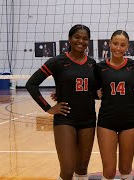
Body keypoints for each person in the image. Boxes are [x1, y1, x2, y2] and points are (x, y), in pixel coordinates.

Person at [26, 24, 97, 180]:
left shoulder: (93, 64)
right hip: (65, 118)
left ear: (89, 42)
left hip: (88, 119)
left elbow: (95, 93)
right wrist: (48, 108)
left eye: (85, 38)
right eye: (77, 37)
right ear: (69, 39)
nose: (81, 41)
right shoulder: (57, 61)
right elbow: (31, 84)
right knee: (67, 170)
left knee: (82, 168)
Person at [94, 30, 134, 180]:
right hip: (106, 121)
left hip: (129, 120)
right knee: (108, 171)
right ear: (109, 43)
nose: (118, 48)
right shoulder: (100, 67)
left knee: (126, 169)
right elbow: (91, 90)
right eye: (115, 43)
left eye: (122, 45)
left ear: (127, 47)